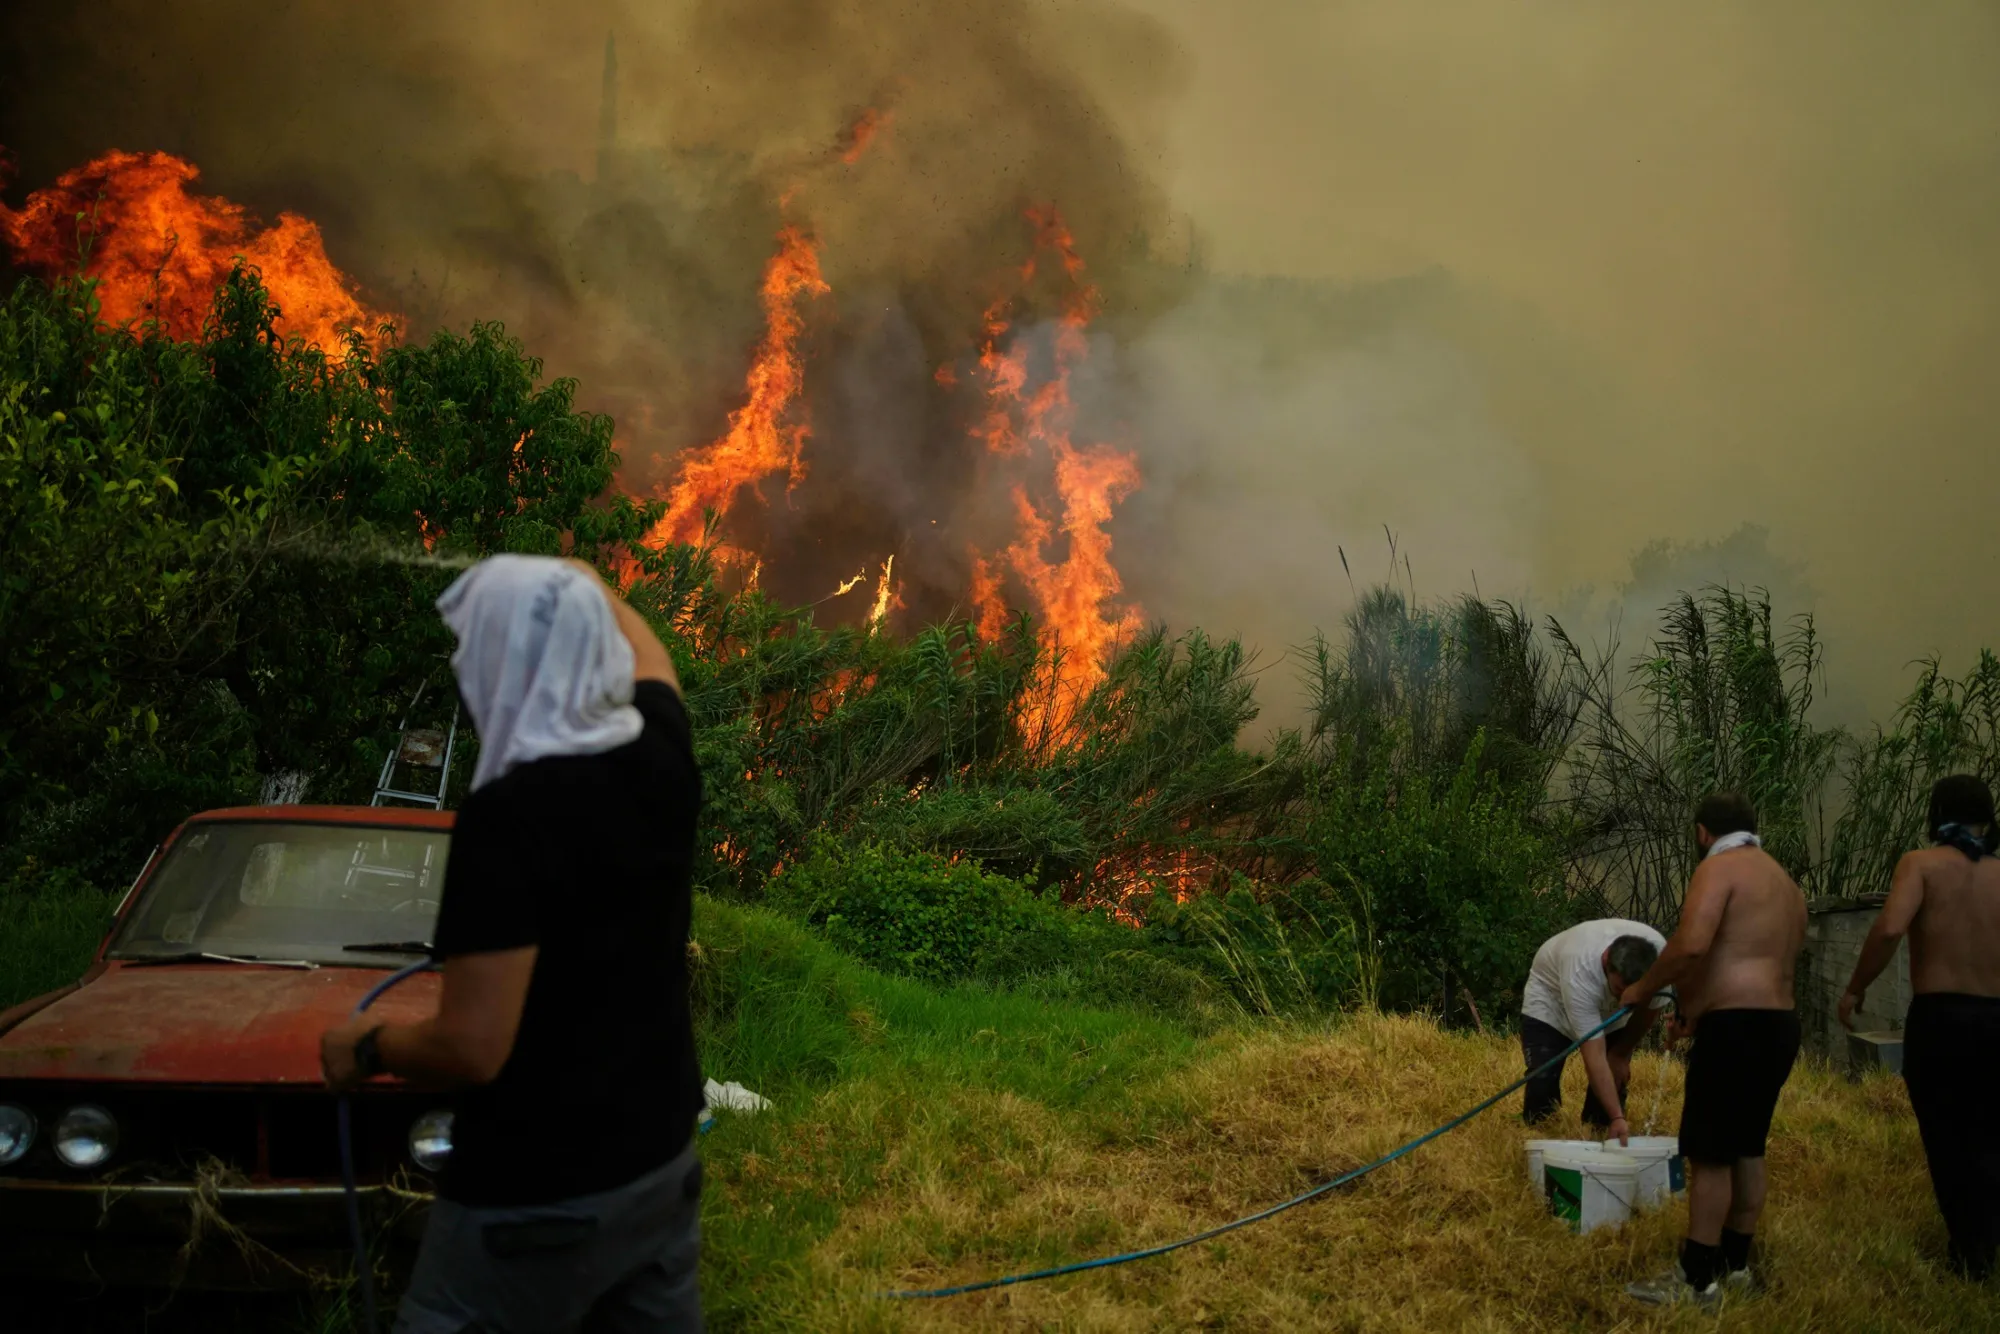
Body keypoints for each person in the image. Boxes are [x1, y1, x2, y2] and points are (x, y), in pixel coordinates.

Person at [321, 555, 707, 1332]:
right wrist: (579, 580)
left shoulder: (510, 818)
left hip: (537, 1190)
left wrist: (367, 1046)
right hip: (661, 1166)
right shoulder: (660, 754)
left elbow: (473, 1047)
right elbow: (652, 656)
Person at [1619, 791, 1807, 1307]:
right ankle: (1736, 1264)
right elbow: (1743, 959)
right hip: (1778, 1026)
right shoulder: (1787, 886)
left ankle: (1695, 1277)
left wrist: (1642, 989)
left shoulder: (1718, 868)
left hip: (1737, 1029)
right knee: (1747, 1147)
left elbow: (1693, 944)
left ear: (1703, 833)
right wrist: (1691, 1012)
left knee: (1710, 1156)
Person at [1840, 773, 2000, 1282]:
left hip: (1943, 1019)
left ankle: (1971, 1252)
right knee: (1990, 1131)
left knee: (1948, 1133)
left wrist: (1856, 987)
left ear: (1935, 817)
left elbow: (1889, 928)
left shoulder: (1921, 865)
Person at [1519, 920, 1670, 1146]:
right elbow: (1594, 1056)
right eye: (1620, 989)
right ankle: (1540, 1138)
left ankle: (1601, 1136)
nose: (1626, 999)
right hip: (1552, 1001)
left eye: (1636, 991)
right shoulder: (1580, 971)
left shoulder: (1661, 963)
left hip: (1605, 1008)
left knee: (1614, 1077)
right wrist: (1618, 1116)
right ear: (1606, 961)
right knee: (1542, 1076)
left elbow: (1650, 1008)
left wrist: (1621, 1052)